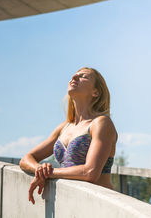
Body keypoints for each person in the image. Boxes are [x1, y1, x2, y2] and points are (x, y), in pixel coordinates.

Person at [19, 67, 118, 204]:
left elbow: (90, 172)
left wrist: (49, 173)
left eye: (83, 76)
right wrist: (40, 170)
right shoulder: (64, 128)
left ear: (96, 92)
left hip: (98, 205)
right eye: (74, 75)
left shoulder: (101, 123)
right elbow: (26, 159)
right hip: (69, 204)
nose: (74, 78)